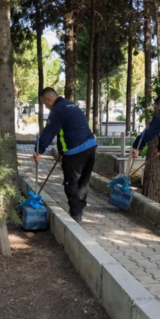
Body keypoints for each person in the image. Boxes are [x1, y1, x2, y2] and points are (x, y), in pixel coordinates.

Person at [33, 88, 98, 224]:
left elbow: (49, 132)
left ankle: (76, 215)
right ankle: (79, 210)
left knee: (70, 183)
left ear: (49, 100)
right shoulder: (71, 105)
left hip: (75, 151)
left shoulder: (57, 110)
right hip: (91, 147)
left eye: (45, 104)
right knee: (83, 182)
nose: (46, 107)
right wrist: (62, 149)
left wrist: (38, 150)